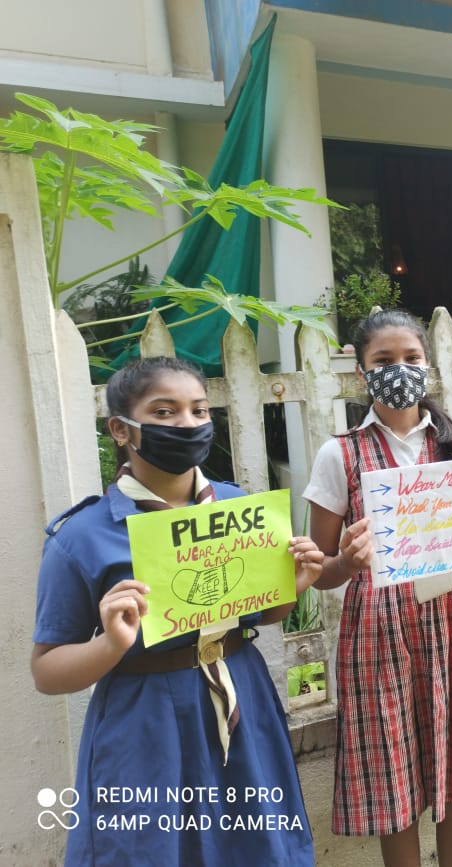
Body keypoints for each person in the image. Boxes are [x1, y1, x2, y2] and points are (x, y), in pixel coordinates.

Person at [31, 355, 321, 866]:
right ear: (121, 429)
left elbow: (258, 615)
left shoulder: (237, 509)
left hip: (243, 699)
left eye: (198, 410)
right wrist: (110, 644)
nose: (187, 424)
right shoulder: (81, 537)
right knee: (151, 849)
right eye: (164, 412)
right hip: (145, 718)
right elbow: (47, 671)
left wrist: (292, 586)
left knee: (255, 845)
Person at [303, 309, 452, 867]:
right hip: (379, 629)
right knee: (392, 768)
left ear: (427, 365)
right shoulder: (340, 454)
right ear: (362, 372)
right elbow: (320, 570)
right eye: (383, 360)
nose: (398, 369)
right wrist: (346, 561)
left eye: (410, 358)